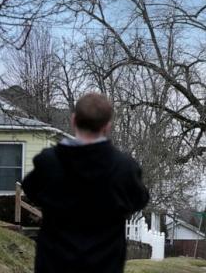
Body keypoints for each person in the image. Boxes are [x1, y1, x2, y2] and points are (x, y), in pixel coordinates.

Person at [23, 93, 149, 273]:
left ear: (73, 120)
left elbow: (31, 189)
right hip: (104, 265)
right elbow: (139, 199)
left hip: (54, 264)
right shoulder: (124, 169)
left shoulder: (48, 163)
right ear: (107, 126)